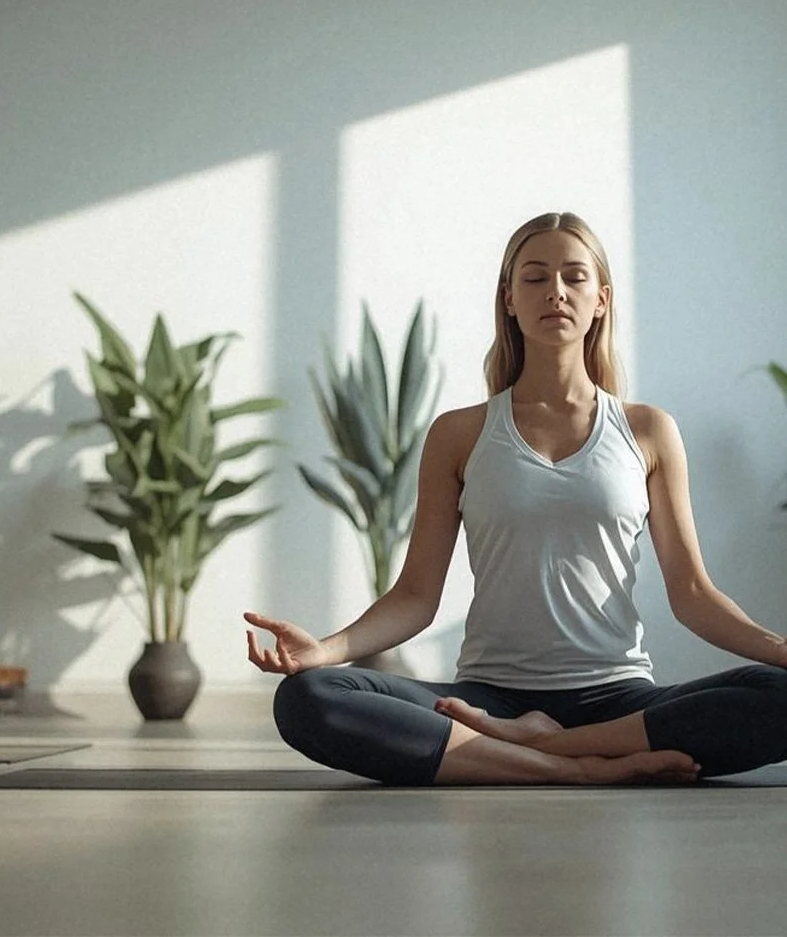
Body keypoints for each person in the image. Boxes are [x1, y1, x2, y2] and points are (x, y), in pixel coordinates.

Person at [246, 212, 787, 786]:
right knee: (309, 697)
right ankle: (577, 769)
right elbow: (415, 596)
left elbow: (693, 594)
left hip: (618, 701)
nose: (555, 291)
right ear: (509, 298)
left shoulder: (648, 430)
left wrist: (780, 648)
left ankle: (544, 747)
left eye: (574, 277)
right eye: (534, 277)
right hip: (488, 700)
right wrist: (323, 652)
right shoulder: (460, 434)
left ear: (601, 300)